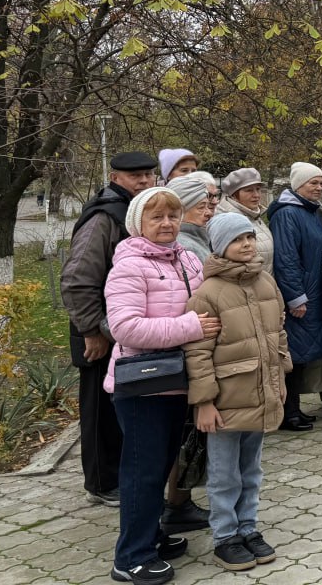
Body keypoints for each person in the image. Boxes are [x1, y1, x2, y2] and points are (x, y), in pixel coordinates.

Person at [103, 187, 219, 585]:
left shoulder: (186, 258)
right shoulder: (129, 265)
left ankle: (151, 535)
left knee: (163, 464)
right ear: (139, 223)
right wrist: (190, 327)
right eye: (157, 217)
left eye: (173, 215)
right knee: (144, 473)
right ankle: (131, 557)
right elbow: (125, 327)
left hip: (178, 381)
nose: (167, 223)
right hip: (143, 389)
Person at [184, 213, 291, 571]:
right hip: (226, 401)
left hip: (261, 394)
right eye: (236, 239)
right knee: (224, 474)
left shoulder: (266, 283)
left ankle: (248, 527)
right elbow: (197, 354)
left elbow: (278, 335)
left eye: (249, 237)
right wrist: (204, 402)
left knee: (252, 469)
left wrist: (281, 382)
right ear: (219, 246)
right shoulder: (207, 293)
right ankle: (225, 536)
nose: (246, 244)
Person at [62, 151, 155, 509]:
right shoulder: (104, 218)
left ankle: (118, 475)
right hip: (99, 333)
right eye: (136, 177)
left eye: (148, 175)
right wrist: (92, 331)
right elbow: (77, 280)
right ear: (116, 178)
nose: (144, 181)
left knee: (119, 409)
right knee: (99, 411)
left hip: (122, 329)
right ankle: (101, 482)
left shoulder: (132, 212)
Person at [268, 162, 322, 431]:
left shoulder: (312, 212)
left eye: (321, 183)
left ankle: (295, 409)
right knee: (292, 355)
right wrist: (296, 296)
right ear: (297, 186)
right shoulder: (287, 214)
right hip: (301, 297)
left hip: (315, 293)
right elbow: (286, 258)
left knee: (304, 354)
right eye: (312, 183)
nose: (318, 188)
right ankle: (287, 411)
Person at [218, 168, 274, 274]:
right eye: (249, 190)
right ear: (234, 195)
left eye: (258, 189)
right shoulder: (227, 221)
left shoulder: (254, 215)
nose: (256, 195)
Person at [168, 172, 219, 265]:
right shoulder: (185, 248)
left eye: (208, 206)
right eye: (201, 207)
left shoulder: (197, 238)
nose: (209, 213)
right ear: (180, 211)